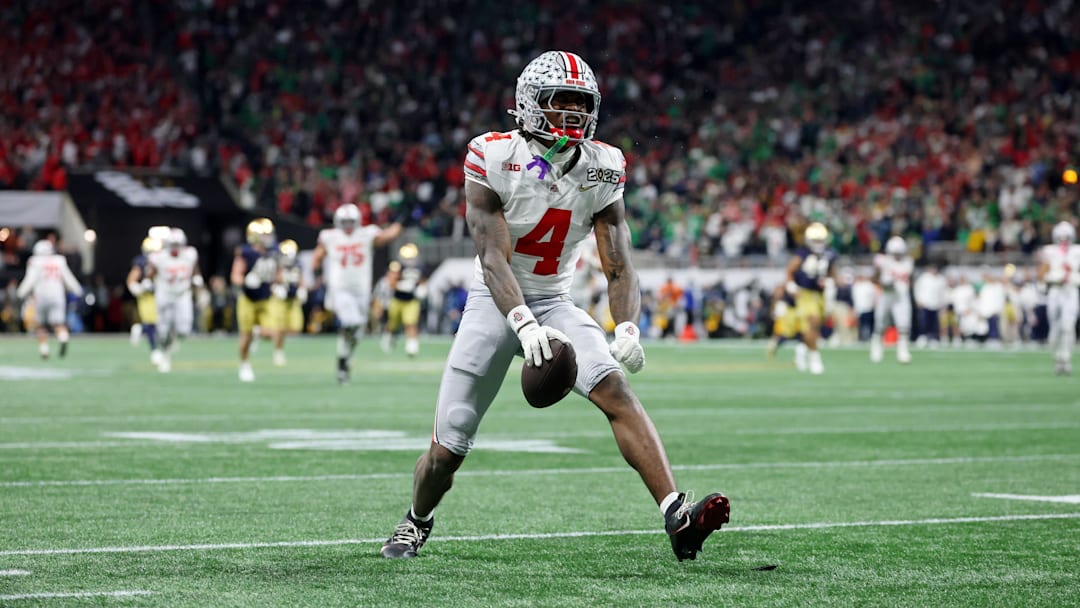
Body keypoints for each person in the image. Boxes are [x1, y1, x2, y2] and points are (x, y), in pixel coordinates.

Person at [380, 51, 729, 562]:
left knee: (615, 388)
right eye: (559, 101)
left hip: (555, 299)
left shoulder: (604, 166)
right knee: (448, 445)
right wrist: (521, 325)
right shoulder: (493, 155)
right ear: (527, 104)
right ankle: (416, 520)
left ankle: (676, 515)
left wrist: (627, 325)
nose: (572, 113)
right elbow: (493, 259)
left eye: (581, 103)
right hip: (494, 303)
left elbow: (619, 263)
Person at [311, 203, 402, 383]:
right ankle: (343, 359)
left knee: (358, 331)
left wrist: (398, 224)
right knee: (350, 321)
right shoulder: (331, 236)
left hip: (361, 290)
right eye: (344, 221)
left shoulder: (366, 234)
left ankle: (343, 358)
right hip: (340, 289)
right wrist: (317, 275)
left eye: (350, 221)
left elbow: (386, 236)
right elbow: (317, 257)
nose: (347, 225)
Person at [146, 228, 203, 373]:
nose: (175, 248)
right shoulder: (159, 257)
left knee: (184, 329)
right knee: (163, 330)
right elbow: (151, 273)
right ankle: (165, 356)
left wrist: (197, 279)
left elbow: (194, 269)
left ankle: (172, 341)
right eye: (173, 244)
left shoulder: (190, 255)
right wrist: (147, 281)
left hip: (182, 294)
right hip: (164, 294)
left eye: (178, 244)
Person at [784, 222, 837, 374]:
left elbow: (833, 273)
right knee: (811, 323)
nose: (818, 244)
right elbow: (790, 271)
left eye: (820, 240)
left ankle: (802, 349)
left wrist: (830, 282)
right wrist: (791, 286)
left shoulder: (829, 254)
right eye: (815, 240)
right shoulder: (803, 254)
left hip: (821, 295)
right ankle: (815, 358)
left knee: (815, 327)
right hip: (805, 294)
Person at [16, 239, 83, 359]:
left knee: (40, 325)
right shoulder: (59, 260)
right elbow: (68, 277)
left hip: (41, 296)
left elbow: (30, 279)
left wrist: (20, 293)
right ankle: (63, 338)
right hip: (58, 296)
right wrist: (77, 290)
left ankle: (44, 350)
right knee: (58, 323)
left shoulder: (35, 261)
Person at [230, 218, 279, 382]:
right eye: (265, 235)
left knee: (270, 333)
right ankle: (244, 365)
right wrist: (245, 281)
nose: (269, 238)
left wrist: (279, 285)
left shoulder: (273, 252)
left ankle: (257, 333)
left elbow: (277, 273)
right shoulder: (246, 253)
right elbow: (235, 275)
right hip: (248, 299)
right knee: (245, 336)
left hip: (266, 299)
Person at [1036, 221, 1080, 374]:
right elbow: (1041, 274)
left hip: (1071, 290)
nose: (1064, 240)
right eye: (1061, 237)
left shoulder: (1077, 251)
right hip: (1055, 290)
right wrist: (1053, 277)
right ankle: (1056, 358)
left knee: (1068, 326)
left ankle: (1066, 358)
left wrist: (1073, 278)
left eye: (1066, 237)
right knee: (1055, 327)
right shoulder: (1049, 251)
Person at [870, 236, 914, 363]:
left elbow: (910, 280)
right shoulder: (883, 261)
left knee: (904, 325)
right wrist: (884, 283)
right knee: (880, 323)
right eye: (895, 253)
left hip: (901, 296)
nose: (897, 256)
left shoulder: (908, 262)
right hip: (886, 294)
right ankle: (876, 348)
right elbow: (874, 278)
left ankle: (903, 352)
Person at [126, 232, 165, 366]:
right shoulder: (141, 262)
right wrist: (141, 288)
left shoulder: (162, 261)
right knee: (152, 324)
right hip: (147, 297)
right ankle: (155, 351)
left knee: (161, 324)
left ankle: (140, 329)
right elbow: (131, 280)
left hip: (161, 295)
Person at [380, 243, 425, 357]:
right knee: (392, 324)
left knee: (411, 323)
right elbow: (391, 282)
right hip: (397, 300)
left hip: (411, 301)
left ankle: (412, 347)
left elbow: (421, 281)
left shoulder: (419, 267)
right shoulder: (397, 266)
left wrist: (422, 288)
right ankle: (389, 337)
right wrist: (403, 286)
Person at [270, 239, 307, 366]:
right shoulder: (276, 264)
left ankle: (261, 332)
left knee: (296, 328)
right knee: (280, 328)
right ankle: (278, 351)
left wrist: (303, 289)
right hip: (280, 300)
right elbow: (270, 280)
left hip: (293, 299)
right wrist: (276, 288)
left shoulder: (298, 265)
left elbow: (301, 280)